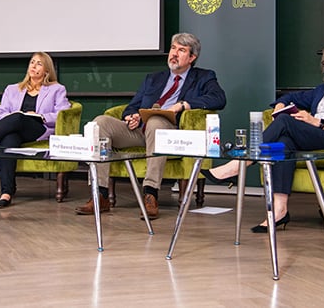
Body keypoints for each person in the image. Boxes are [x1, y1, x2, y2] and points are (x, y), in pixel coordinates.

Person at [203, 44, 324, 233]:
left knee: (286, 122)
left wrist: (317, 122)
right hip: (314, 136)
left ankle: (237, 164)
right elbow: (291, 97)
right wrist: (280, 104)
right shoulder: (323, 90)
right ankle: (279, 212)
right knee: (283, 143)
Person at [75, 33, 227, 219]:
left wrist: (183, 104)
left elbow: (219, 99)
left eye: (181, 50)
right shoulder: (154, 78)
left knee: (156, 121)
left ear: (192, 57)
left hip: (170, 131)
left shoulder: (204, 77)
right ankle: (101, 195)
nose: (174, 54)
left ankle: (150, 193)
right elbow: (134, 104)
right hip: (141, 130)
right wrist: (131, 115)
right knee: (100, 123)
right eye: (173, 48)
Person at [0, 52, 70, 208]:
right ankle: (6, 193)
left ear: (47, 70)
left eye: (39, 63)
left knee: (19, 118)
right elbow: (0, 112)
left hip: (38, 128)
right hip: (15, 128)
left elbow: (63, 113)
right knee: (9, 139)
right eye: (32, 62)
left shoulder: (56, 89)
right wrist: (12, 118)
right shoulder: (12, 89)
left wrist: (41, 116)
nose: (33, 66)